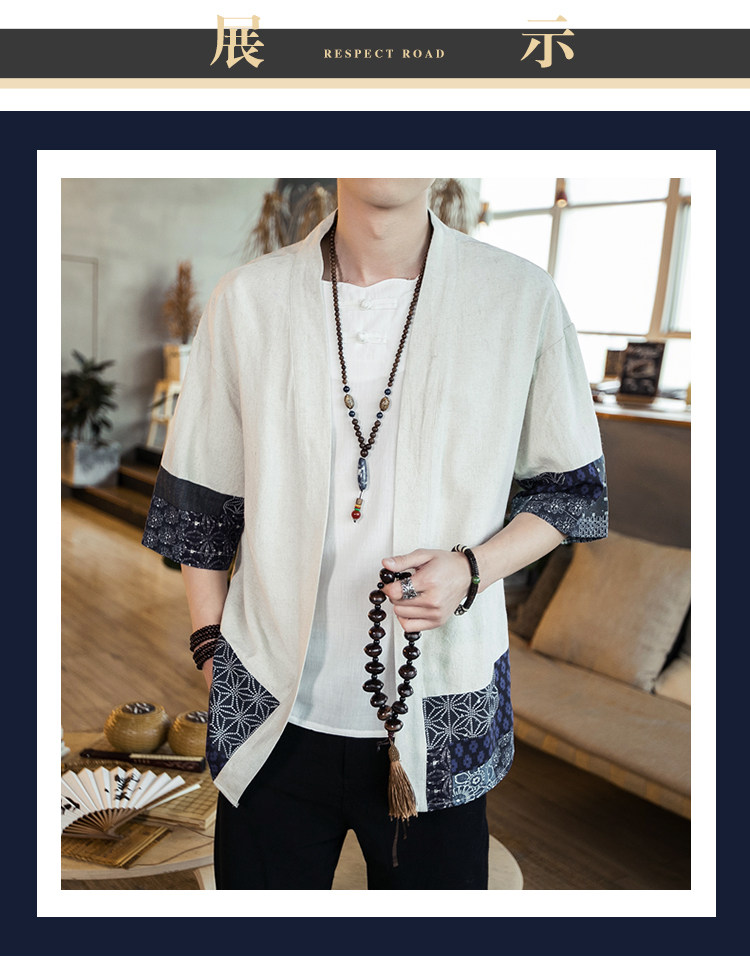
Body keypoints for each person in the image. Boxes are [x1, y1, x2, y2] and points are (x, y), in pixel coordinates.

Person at [142, 178, 608, 890]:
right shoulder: (249, 299)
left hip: (440, 714)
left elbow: (571, 489)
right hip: (270, 710)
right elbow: (201, 500)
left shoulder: (518, 298)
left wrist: (473, 568)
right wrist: (211, 646)